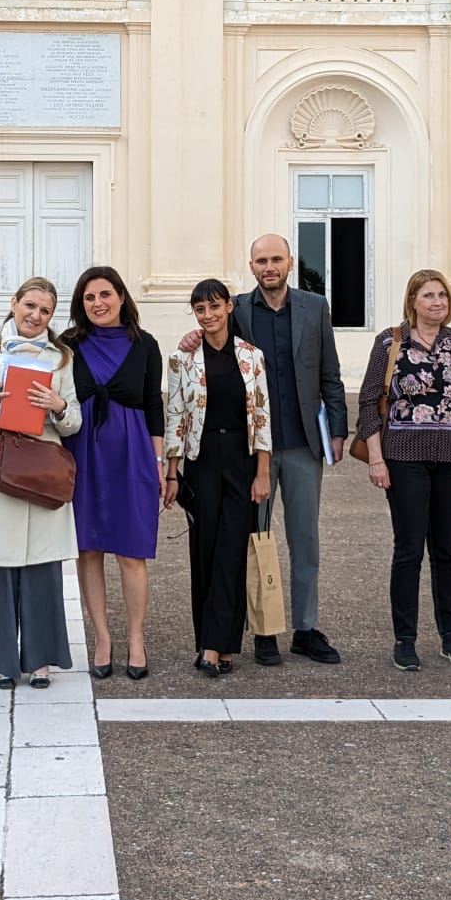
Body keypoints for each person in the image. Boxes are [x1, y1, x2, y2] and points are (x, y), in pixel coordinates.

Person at [179, 234, 348, 668]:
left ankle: (306, 628)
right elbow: (211, 341)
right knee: (254, 539)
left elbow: (330, 370)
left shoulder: (315, 307)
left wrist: (339, 430)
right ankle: (265, 630)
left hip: (304, 441)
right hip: (252, 451)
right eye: (261, 261)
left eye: (276, 259)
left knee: (305, 539)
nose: (269, 267)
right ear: (251, 267)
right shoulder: (236, 308)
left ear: (291, 261)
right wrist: (190, 340)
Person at [0, 277, 83, 689]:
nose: (35, 315)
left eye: (44, 310)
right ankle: (2, 660)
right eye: (29, 305)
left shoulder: (62, 359)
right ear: (14, 304)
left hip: (40, 468)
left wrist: (57, 405)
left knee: (41, 565)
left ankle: (41, 659)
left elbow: (75, 419)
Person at [357, 269, 451, 673]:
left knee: (446, 550)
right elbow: (368, 400)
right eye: (428, 295)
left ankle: (450, 636)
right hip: (403, 456)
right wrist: (376, 457)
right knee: (409, 550)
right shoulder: (391, 342)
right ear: (412, 300)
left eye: (442, 295)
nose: (437, 302)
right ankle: (405, 640)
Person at [163, 279, 273, 677]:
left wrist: (262, 473)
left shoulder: (251, 357)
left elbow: (262, 417)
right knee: (205, 551)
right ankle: (212, 644)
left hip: (242, 461)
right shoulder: (181, 359)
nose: (207, 315)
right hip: (202, 458)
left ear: (229, 307)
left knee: (231, 552)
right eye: (199, 310)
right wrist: (171, 473)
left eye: (214, 307)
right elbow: (175, 416)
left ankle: (220, 646)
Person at [65, 266, 166, 680]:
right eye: (89, 298)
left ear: (122, 297)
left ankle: (136, 638)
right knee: (88, 550)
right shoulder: (68, 344)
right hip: (82, 454)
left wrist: (160, 466)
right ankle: (103, 638)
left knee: (131, 552)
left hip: (132, 455)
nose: (98, 304)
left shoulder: (146, 345)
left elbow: (154, 407)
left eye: (105, 295)